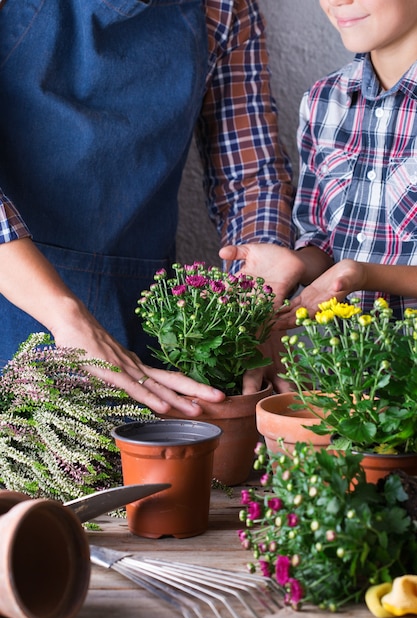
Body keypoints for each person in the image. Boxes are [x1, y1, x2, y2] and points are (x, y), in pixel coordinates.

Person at [0, 0, 294, 414]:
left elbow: (250, 177)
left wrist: (258, 285)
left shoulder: (225, 8)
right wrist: (65, 313)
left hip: (145, 324)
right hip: (11, 302)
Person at [220, 0, 417, 327]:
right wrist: (295, 262)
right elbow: (324, 241)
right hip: (339, 371)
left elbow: (352, 271)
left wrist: (364, 274)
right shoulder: (324, 101)